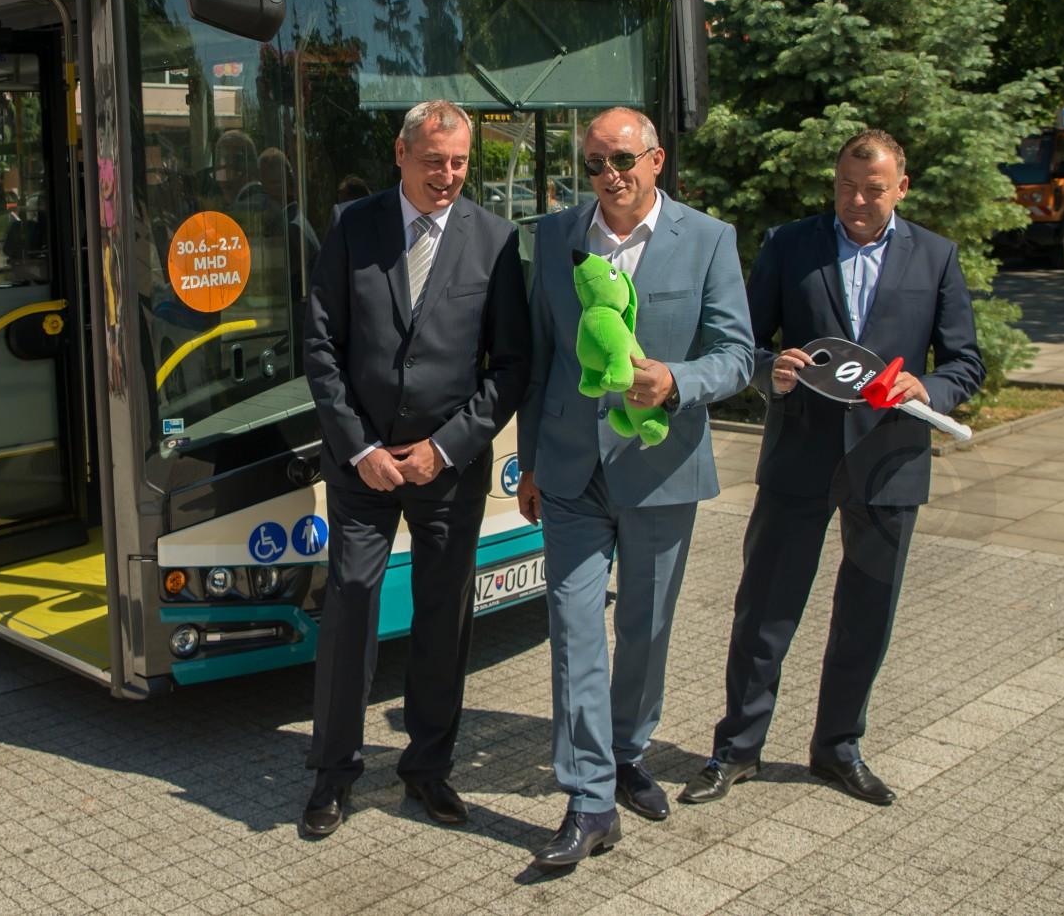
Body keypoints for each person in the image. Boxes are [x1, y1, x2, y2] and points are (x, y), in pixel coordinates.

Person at [683, 129, 983, 810]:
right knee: (765, 610)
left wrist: (928, 389)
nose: (857, 201)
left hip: (889, 463)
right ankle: (737, 749)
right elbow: (742, 342)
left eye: (873, 190)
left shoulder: (935, 256)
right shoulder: (791, 245)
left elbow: (966, 361)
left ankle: (838, 749)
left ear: (901, 188)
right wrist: (772, 369)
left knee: (865, 614)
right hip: (799, 455)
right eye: (846, 186)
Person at [515, 106, 752, 869]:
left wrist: (676, 380)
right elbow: (541, 357)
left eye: (621, 159)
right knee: (573, 627)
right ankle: (589, 799)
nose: (609, 175)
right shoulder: (555, 236)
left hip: (661, 469)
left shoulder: (708, 239)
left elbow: (737, 355)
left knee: (645, 630)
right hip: (571, 470)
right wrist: (528, 461)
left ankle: (625, 751)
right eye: (595, 163)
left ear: (655, 160)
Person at [300, 99, 531, 838]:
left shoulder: (494, 239)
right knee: (351, 605)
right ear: (400, 155)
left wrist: (448, 446)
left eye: (460, 162)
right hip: (362, 464)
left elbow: (511, 364)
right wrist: (359, 447)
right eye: (434, 161)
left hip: (448, 468)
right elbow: (321, 345)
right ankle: (333, 773)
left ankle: (428, 769)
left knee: (443, 616)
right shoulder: (352, 226)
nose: (448, 175)